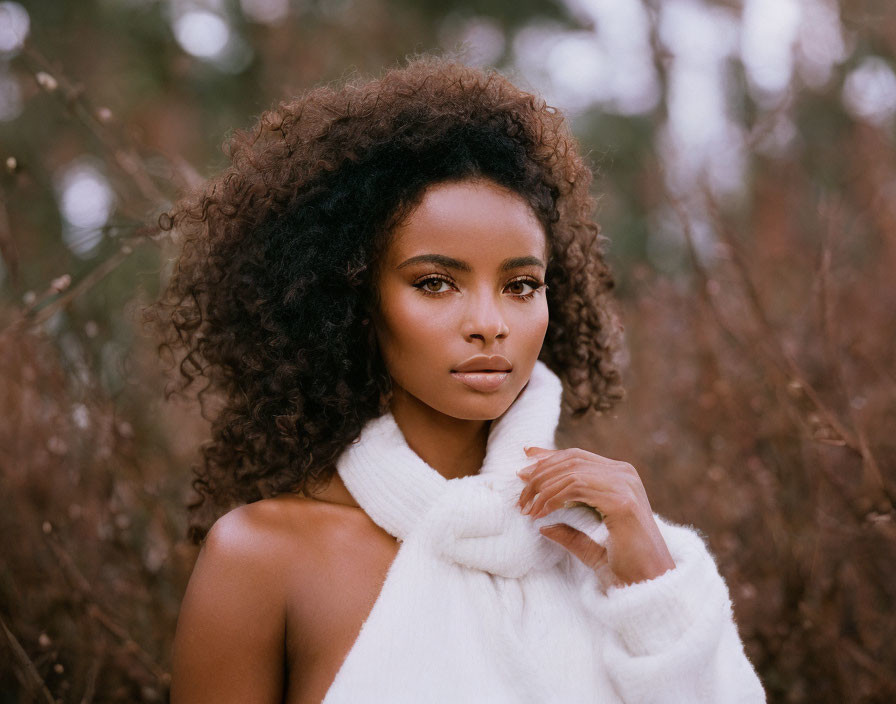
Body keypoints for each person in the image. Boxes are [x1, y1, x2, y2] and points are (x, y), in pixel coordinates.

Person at [149, 54, 766, 703]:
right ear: (351, 298)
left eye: (521, 285)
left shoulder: (633, 553)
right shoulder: (262, 557)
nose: (489, 322)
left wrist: (649, 593)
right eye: (435, 283)